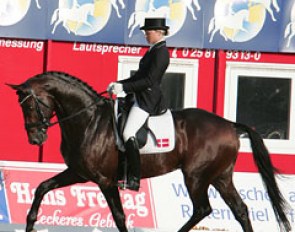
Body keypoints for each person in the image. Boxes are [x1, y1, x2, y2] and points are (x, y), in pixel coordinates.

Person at [108, 17, 170, 191]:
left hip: (148, 100)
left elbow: (150, 80)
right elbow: (138, 77)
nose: (145, 35)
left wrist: (124, 87)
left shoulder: (161, 52)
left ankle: (134, 179)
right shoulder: (153, 50)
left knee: (128, 133)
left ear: (159, 32)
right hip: (138, 96)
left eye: (148, 32)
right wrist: (119, 84)